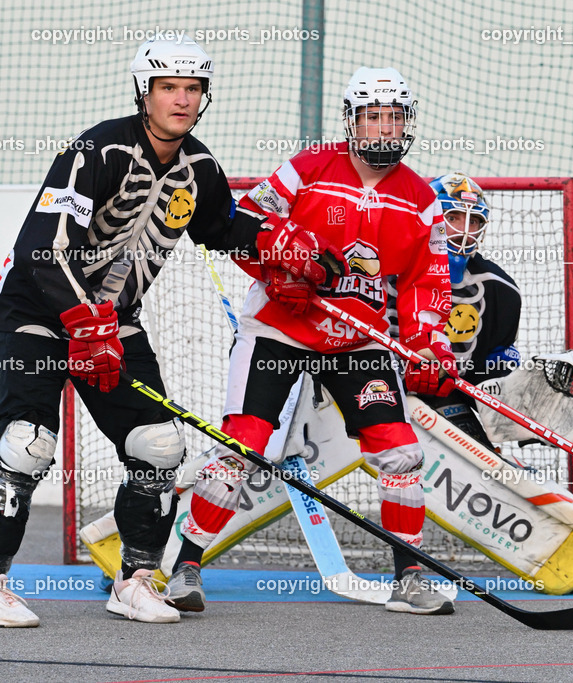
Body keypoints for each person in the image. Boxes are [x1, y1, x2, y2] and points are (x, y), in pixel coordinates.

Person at [0, 38, 283, 626]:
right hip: (41, 310)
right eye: (168, 88)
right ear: (144, 92)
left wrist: (284, 254)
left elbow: (223, 230)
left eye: (193, 89)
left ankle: (135, 579)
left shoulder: (201, 168)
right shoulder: (99, 148)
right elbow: (41, 248)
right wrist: (84, 324)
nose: (181, 100)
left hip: (116, 322)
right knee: (26, 443)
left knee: (158, 446)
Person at [164, 66, 459, 616]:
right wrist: (276, 267)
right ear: (352, 122)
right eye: (373, 117)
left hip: (356, 340)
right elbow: (245, 222)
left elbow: (428, 281)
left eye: (394, 118)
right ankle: (186, 565)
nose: (384, 130)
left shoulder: (420, 199)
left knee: (400, 450)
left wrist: (429, 344)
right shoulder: (308, 169)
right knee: (243, 446)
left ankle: (410, 575)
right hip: (279, 329)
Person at [404, 173, 521, 448]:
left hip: (445, 393)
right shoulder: (385, 268)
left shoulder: (501, 289)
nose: (463, 230)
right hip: (375, 387)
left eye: (474, 220)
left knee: (489, 469)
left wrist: (516, 390)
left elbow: (493, 363)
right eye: (453, 217)